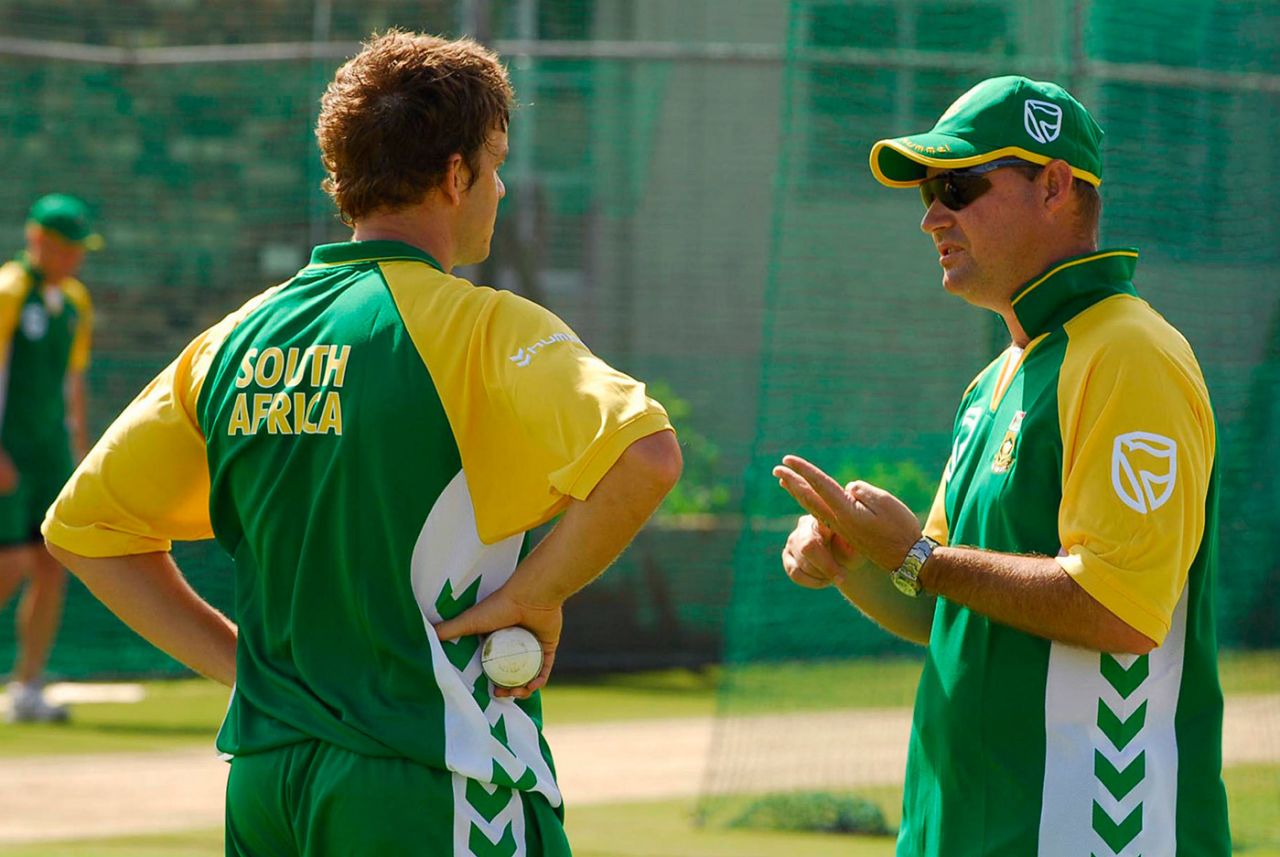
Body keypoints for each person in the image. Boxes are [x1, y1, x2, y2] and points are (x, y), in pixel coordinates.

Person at [43, 31, 681, 856]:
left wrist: (255, 677)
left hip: (268, 784)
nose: (502, 186)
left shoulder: (231, 341)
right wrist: (535, 593)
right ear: (456, 175)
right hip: (429, 774)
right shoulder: (483, 328)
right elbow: (646, 456)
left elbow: (84, 532)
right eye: (495, 162)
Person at [773, 76, 1230, 856]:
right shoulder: (1001, 376)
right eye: (926, 190)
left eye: (958, 184)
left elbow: (1118, 608)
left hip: (1087, 832)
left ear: (1054, 186)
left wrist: (918, 555)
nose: (930, 216)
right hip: (966, 829)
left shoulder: (1130, 352)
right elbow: (939, 606)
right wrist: (852, 558)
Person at [0, 193, 99, 723]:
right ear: (38, 241)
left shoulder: (76, 302)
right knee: (9, 564)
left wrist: (78, 454)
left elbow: (72, 383)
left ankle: (27, 687)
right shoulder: (10, 290)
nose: (74, 259)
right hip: (8, 453)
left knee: (50, 564)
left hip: (49, 456)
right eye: (66, 248)